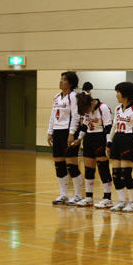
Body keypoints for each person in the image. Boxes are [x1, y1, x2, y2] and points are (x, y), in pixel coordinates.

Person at [107, 82, 133, 212]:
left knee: (126, 173)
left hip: (129, 139)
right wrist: (109, 142)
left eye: (118, 92)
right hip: (117, 139)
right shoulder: (118, 108)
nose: (116, 95)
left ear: (125, 94)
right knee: (115, 174)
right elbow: (114, 126)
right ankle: (121, 201)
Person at [72, 93, 114, 208]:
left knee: (103, 167)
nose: (86, 112)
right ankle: (89, 197)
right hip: (89, 139)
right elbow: (85, 126)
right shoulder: (86, 110)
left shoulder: (103, 108)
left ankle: (107, 198)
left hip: (100, 138)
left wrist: (108, 144)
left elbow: (108, 128)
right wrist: (79, 138)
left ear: (91, 103)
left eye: (87, 109)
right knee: (89, 169)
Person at [47, 71, 83, 205]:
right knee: (59, 164)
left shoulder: (73, 97)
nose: (61, 81)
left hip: (68, 132)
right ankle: (63, 194)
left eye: (64, 80)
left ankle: (78, 195)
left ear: (71, 83)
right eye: (61, 79)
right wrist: (50, 132)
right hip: (57, 132)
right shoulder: (57, 97)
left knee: (72, 164)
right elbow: (53, 115)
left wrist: (72, 133)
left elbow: (76, 116)